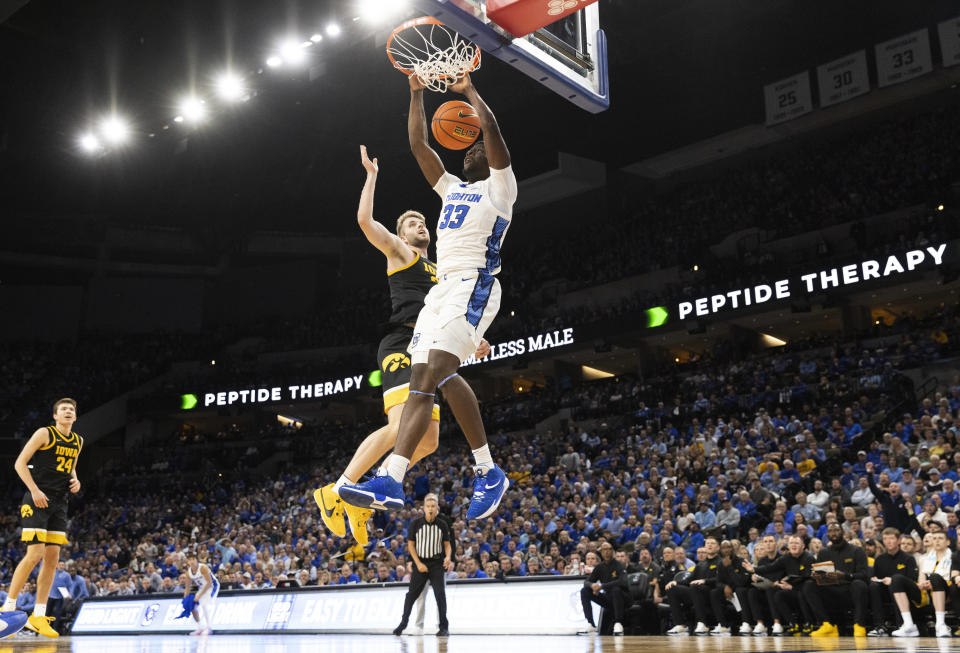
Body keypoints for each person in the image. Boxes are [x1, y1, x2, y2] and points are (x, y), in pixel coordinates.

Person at [341, 72, 517, 520]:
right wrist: (416, 91)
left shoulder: (501, 189)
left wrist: (471, 93)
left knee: (433, 372)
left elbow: (492, 130)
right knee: (426, 377)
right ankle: (393, 481)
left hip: (473, 283)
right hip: (441, 293)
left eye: (480, 146)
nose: (475, 147)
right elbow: (420, 146)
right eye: (470, 147)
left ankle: (485, 471)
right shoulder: (452, 189)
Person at [314, 146, 488, 544]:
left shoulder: (441, 269)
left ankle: (362, 496)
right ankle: (337, 489)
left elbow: (452, 310)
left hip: (431, 347)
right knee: (398, 426)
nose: (419, 225)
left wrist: (475, 338)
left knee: (428, 439)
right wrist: (371, 178)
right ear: (402, 233)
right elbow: (363, 220)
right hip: (401, 343)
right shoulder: (401, 253)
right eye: (411, 222)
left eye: (423, 221)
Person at [0, 398, 83, 639]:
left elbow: (71, 467)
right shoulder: (44, 433)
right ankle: (7, 609)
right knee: (35, 553)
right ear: (56, 416)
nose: (68, 412)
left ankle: (38, 615)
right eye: (64, 409)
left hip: (59, 503)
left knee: (52, 559)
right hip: (36, 499)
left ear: (75, 417)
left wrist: (76, 480)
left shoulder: (78, 441)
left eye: (72, 410)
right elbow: (19, 463)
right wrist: (35, 490)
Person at [393, 494, 453, 636]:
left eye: (433, 506)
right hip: (420, 562)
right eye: (428, 506)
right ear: (424, 508)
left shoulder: (442, 525)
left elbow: (447, 545)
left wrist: (448, 557)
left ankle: (444, 627)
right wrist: (418, 563)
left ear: (437, 508)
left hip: (437, 563)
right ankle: (403, 624)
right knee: (411, 595)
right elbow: (411, 546)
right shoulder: (416, 524)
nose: (431, 509)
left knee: (440, 595)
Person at [802, 523, 869, 637]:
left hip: (850, 590)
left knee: (859, 584)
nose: (833, 533)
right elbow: (819, 575)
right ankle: (827, 625)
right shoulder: (823, 552)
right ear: (827, 534)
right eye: (831, 531)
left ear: (843, 532)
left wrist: (845, 575)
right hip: (831, 590)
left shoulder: (856, 551)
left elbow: (863, 575)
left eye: (836, 530)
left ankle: (859, 625)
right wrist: (816, 576)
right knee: (809, 585)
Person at [890, 531, 952, 637]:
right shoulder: (923, 559)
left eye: (940, 538)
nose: (937, 540)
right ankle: (909, 625)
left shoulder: (952, 557)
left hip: (945, 590)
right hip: (925, 592)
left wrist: (933, 583)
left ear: (948, 542)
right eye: (935, 538)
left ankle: (940, 625)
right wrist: (921, 585)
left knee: (935, 577)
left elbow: (953, 578)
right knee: (896, 579)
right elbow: (921, 578)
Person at [665, 537, 720, 635]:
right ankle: (681, 625)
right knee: (672, 588)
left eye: (712, 543)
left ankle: (702, 623)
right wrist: (676, 583)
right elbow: (688, 580)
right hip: (696, 592)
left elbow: (721, 579)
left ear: (718, 548)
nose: (710, 545)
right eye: (707, 543)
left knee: (695, 587)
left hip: (712, 593)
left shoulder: (721, 562)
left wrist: (705, 581)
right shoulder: (701, 564)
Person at [869, 527, 917, 636]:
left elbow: (912, 579)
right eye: (885, 539)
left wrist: (892, 581)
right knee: (873, 586)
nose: (888, 541)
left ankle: (902, 624)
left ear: (898, 540)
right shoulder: (879, 559)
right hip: (884, 591)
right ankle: (879, 626)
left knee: (894, 583)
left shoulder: (908, 558)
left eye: (891, 538)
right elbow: (875, 576)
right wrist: (874, 579)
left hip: (905, 592)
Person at [580, 541, 627, 635]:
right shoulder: (599, 567)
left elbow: (623, 582)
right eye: (604, 550)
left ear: (612, 551)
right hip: (608, 599)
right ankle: (591, 624)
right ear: (601, 552)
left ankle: (618, 623)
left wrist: (602, 586)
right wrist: (592, 585)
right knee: (584, 591)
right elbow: (586, 582)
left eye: (609, 549)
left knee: (615, 589)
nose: (607, 552)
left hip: (623, 598)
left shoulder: (619, 565)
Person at [185, 551, 219, 636]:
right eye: (189, 560)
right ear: (187, 562)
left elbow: (209, 582)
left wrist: (199, 595)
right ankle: (200, 627)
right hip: (202, 588)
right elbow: (187, 587)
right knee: (192, 605)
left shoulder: (203, 568)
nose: (191, 561)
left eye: (193, 559)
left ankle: (209, 627)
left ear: (196, 560)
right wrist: (185, 599)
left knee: (204, 604)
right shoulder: (188, 573)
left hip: (212, 586)